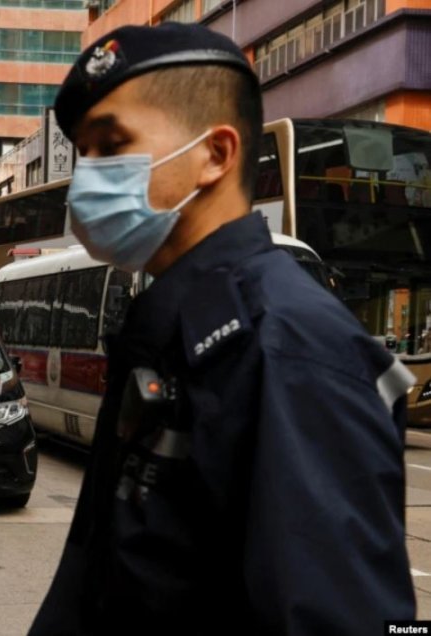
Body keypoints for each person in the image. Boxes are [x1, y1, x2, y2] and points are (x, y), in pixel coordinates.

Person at [29, 23, 416, 635]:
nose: (87, 178)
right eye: (84, 153)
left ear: (215, 154)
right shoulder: (171, 327)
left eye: (111, 146)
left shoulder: (289, 347)